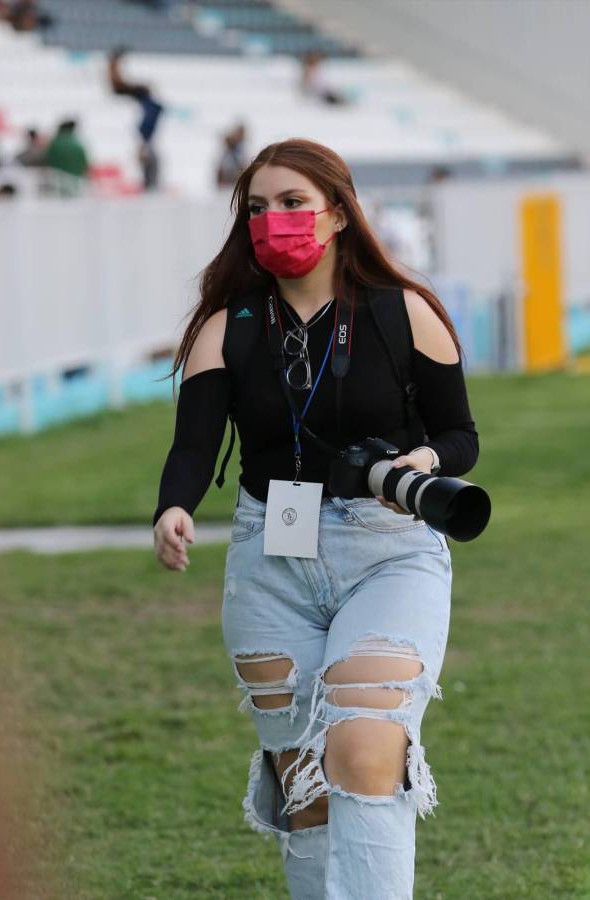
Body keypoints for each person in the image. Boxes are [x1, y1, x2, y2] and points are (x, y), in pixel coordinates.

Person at [152, 138, 478, 899]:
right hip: (270, 553)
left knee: (365, 750)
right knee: (304, 782)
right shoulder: (225, 328)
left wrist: (420, 465)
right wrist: (174, 506)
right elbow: (194, 445)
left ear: (336, 212)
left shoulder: (405, 313)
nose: (275, 222)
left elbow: (461, 435)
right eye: (258, 209)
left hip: (389, 548)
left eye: (293, 203)